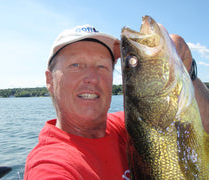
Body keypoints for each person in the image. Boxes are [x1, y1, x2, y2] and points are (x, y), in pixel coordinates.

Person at [24, 25, 209, 180]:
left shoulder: (132, 126)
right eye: (76, 65)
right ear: (49, 80)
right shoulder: (51, 166)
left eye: (102, 66)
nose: (92, 78)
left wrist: (188, 72)